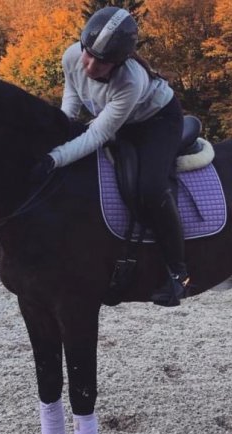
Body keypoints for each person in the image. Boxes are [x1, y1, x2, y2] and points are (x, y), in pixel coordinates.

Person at [31, 6, 189, 306]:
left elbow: (97, 135)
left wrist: (55, 158)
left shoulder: (130, 81)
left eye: (101, 63)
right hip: (118, 119)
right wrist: (58, 133)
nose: (90, 66)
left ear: (119, 62)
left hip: (157, 121)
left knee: (151, 188)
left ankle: (178, 273)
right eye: (88, 55)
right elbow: (72, 98)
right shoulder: (72, 56)